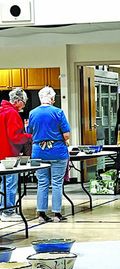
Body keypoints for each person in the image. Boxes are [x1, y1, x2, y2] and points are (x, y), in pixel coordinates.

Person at [28, 86, 71, 223]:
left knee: (42, 183)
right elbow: (66, 135)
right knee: (57, 183)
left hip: (38, 152)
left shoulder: (32, 113)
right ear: (52, 98)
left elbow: (30, 132)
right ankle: (57, 214)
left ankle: (41, 214)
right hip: (57, 152)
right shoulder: (58, 112)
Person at [0, 88, 32, 222]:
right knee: (10, 183)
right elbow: (15, 137)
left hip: (1, 153)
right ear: (17, 101)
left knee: (3, 184)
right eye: (24, 102)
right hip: (9, 154)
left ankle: (3, 208)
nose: (24, 105)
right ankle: (8, 211)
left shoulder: (1, 110)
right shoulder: (12, 113)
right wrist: (29, 136)